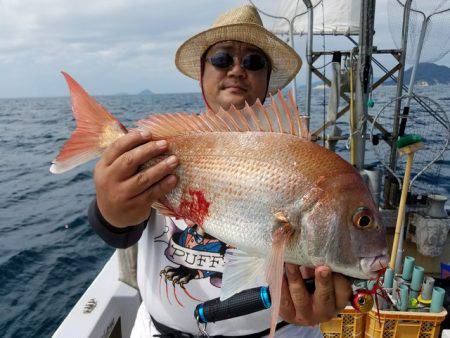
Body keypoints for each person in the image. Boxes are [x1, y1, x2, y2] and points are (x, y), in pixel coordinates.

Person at [89, 5, 352, 337]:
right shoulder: (164, 148)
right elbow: (119, 230)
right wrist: (109, 209)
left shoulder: (306, 160)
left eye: (254, 62)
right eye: (222, 59)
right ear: (202, 73)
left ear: (268, 81)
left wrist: (322, 292)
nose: (238, 70)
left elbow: (328, 257)